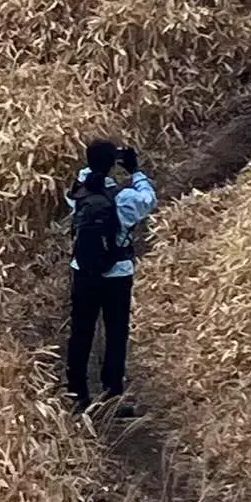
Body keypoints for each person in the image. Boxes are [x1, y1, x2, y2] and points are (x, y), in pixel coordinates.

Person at [65, 138, 157, 416]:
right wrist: (135, 171)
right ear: (113, 165)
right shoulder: (124, 198)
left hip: (83, 269)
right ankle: (112, 394)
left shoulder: (78, 193)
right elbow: (149, 199)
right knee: (116, 332)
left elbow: (84, 180)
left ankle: (77, 394)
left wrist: (94, 164)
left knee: (81, 331)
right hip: (117, 273)